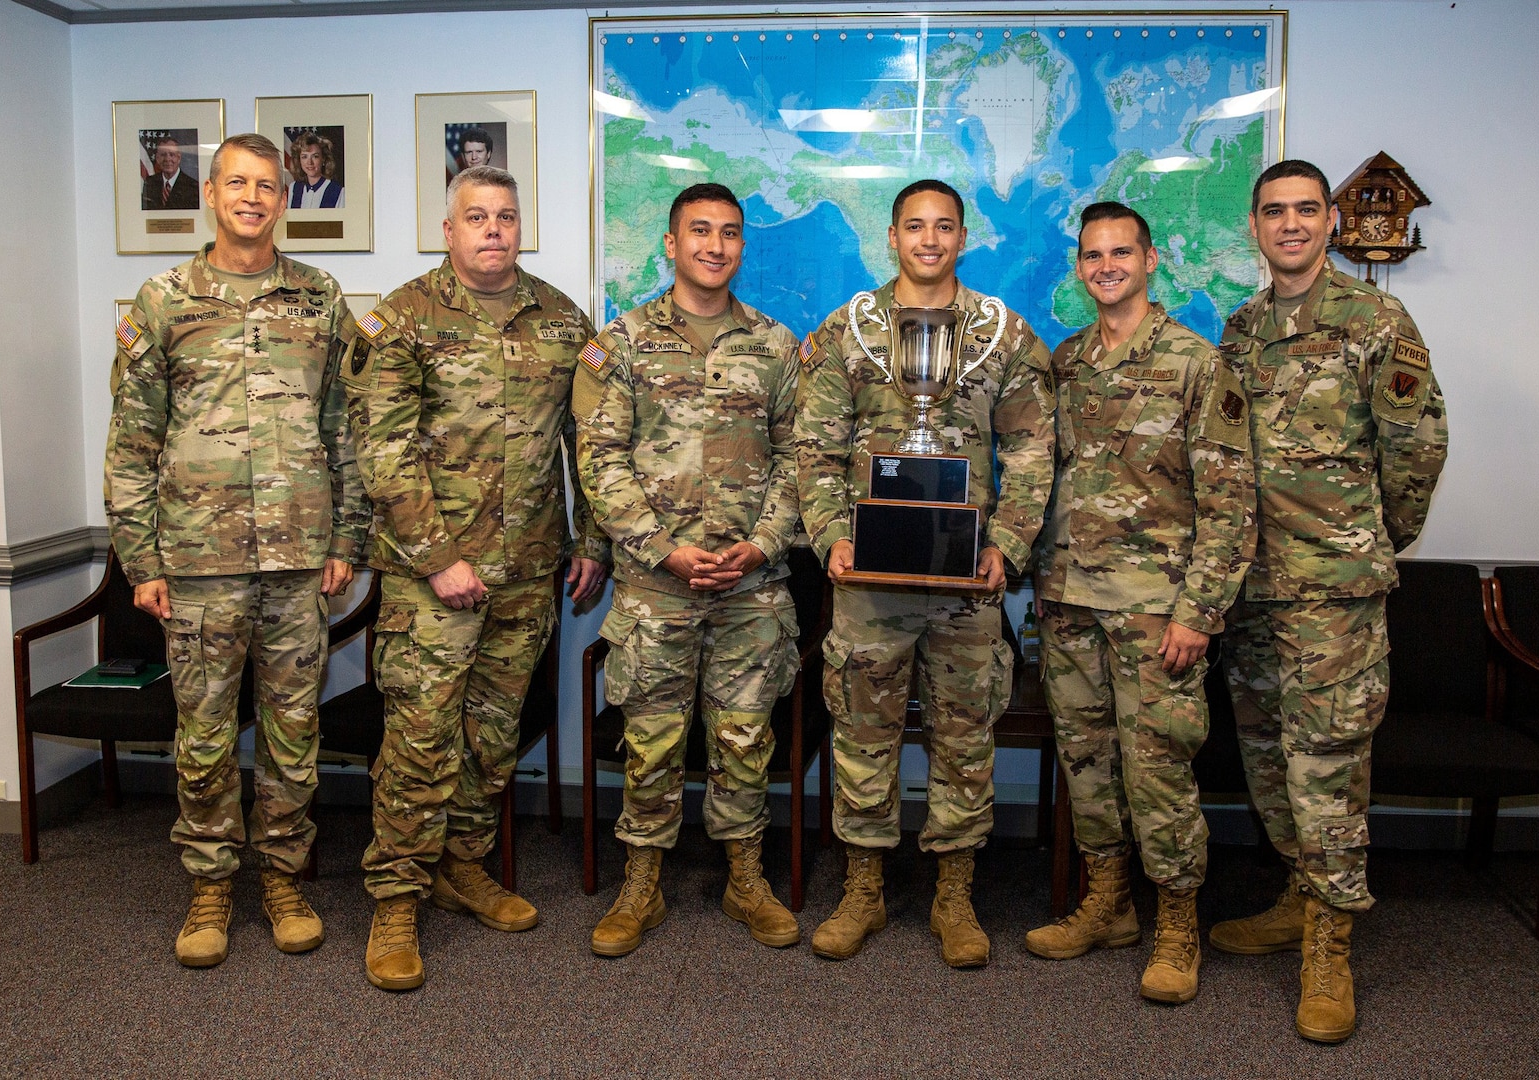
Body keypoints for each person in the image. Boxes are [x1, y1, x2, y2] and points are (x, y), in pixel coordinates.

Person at [105, 132, 367, 969]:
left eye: (268, 185)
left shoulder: (320, 297)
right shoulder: (163, 299)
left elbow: (347, 428)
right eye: (238, 183)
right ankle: (211, 886)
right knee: (207, 734)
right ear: (210, 194)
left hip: (299, 560)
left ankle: (283, 880)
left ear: (284, 200)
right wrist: (142, 562)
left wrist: (348, 537)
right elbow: (132, 442)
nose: (253, 197)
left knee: (293, 733)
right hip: (198, 561)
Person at [344, 164, 609, 992]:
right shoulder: (402, 318)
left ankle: (461, 865)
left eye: (505, 216)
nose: (493, 229)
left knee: (492, 742)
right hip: (432, 581)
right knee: (420, 742)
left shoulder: (563, 320)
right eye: (475, 217)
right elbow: (380, 449)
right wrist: (436, 557)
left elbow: (590, 443)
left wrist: (592, 539)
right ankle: (395, 899)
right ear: (448, 230)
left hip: (527, 575)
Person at [1211, 160, 1448, 1042]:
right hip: (1254, 595)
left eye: (1307, 209)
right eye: (1275, 211)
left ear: (1332, 222)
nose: (1292, 224)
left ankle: (1330, 944)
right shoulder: (1238, 332)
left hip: (1334, 600)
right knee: (1270, 760)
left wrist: (1364, 542)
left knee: (1329, 772)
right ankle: (1294, 895)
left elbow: (1418, 448)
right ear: (1255, 225)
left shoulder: (1376, 321)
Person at [794, 179, 1054, 968]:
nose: (930, 240)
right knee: (863, 731)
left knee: (964, 735)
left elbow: (1033, 448)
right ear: (892, 235)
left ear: (964, 237)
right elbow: (815, 444)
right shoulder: (848, 331)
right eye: (915, 226)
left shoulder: (1005, 336)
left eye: (944, 227)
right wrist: (833, 535)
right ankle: (863, 888)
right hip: (869, 580)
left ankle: (954, 893)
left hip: (965, 580)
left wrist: (1004, 543)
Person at [1023, 202, 1255, 1004]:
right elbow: (1046, 480)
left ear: (1151, 260)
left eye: (1122, 251)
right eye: (1093, 254)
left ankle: (1176, 921)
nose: (1107, 265)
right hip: (1070, 603)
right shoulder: (1069, 361)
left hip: (1157, 612)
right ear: (1080, 267)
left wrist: (1200, 612)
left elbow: (1231, 501)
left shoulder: (1195, 362)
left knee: (1157, 772)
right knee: (1087, 766)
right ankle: (1108, 903)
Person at [573, 183, 803, 957]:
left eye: (730, 233)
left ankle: (745, 878)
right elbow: (599, 462)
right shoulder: (622, 342)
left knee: (744, 738)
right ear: (670, 244)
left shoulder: (775, 346)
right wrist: (660, 546)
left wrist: (764, 545)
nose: (715, 245)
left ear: (742, 247)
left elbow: (802, 462)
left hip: (750, 588)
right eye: (699, 231)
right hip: (656, 585)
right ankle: (643, 883)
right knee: (652, 739)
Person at [288, 131, 344, 210]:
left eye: (315, 156)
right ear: (299, 160)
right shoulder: (294, 188)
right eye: (304, 157)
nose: (309, 162)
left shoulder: (338, 191)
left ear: (323, 159)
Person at [141, 136, 199, 210]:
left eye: (172, 155)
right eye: (163, 155)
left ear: (179, 158)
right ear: (157, 159)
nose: (167, 159)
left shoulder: (192, 186)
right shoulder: (150, 183)